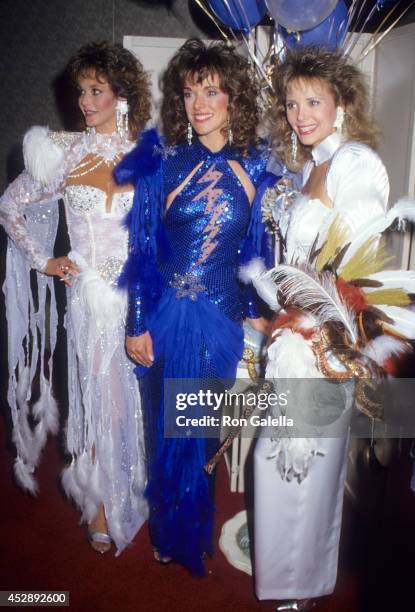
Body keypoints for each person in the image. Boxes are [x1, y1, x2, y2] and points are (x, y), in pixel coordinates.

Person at [115, 38, 269, 574]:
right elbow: (141, 251)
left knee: (202, 435)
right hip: (166, 319)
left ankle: (196, 528)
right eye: (188, 93)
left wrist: (255, 308)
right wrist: (136, 323)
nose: (198, 104)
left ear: (234, 98)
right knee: (163, 430)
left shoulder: (258, 169)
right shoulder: (163, 163)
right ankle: (165, 531)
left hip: (222, 321)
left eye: (211, 91)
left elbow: (250, 254)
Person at [252, 47, 391, 610]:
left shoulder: (357, 162)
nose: (301, 113)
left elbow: (360, 258)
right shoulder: (308, 169)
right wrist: (279, 309)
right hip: (294, 336)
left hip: (327, 339)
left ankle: (300, 588)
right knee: (281, 456)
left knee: (304, 461)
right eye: (292, 103)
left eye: (314, 100)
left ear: (341, 103)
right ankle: (291, 579)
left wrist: (320, 317)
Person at [0, 41, 151, 555]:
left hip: (134, 298)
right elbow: (10, 205)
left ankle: (130, 484)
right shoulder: (65, 154)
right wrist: (45, 260)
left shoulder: (147, 154)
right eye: (81, 92)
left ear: (122, 95)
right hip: (87, 300)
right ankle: (99, 503)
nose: (85, 102)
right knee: (94, 396)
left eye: (97, 91)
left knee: (130, 399)